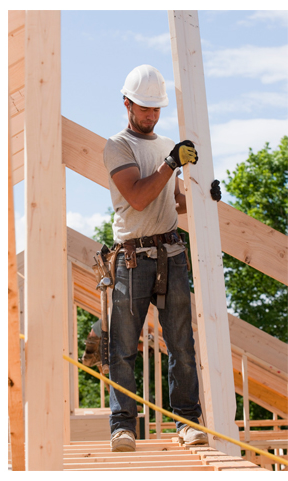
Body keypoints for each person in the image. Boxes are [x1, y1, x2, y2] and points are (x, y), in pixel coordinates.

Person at [102, 65, 221, 453]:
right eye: (144, 108)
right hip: (132, 259)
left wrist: (208, 197)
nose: (151, 115)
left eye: (156, 109)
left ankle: (186, 422)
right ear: (127, 104)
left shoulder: (167, 143)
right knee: (122, 347)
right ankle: (124, 427)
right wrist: (171, 163)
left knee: (181, 344)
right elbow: (138, 196)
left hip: (171, 254)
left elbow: (176, 202)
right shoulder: (118, 145)